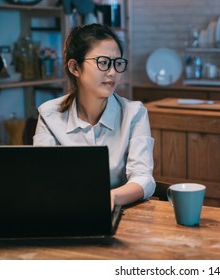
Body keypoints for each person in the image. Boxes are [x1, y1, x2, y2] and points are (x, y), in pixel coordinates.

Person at [33, 23, 155, 209]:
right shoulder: (49, 115)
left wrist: (109, 198)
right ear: (75, 67)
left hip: (118, 215)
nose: (113, 72)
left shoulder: (134, 113)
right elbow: (42, 178)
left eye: (117, 63)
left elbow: (143, 177)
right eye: (103, 62)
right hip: (63, 212)